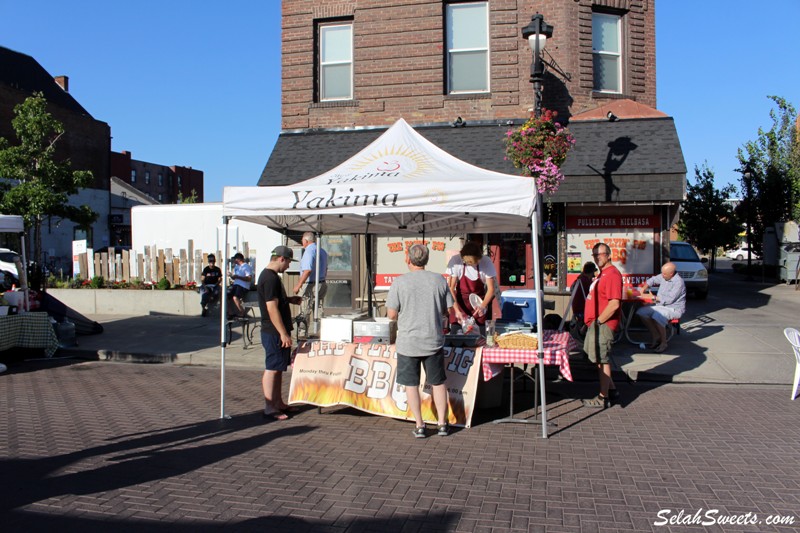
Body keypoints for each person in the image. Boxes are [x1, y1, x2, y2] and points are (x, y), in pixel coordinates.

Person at [387, 244, 454, 438]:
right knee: (438, 383)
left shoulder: (399, 283)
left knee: (411, 385)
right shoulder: (439, 280)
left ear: (408, 259)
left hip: (408, 343)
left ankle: (420, 425)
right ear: (427, 259)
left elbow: (391, 315)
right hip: (433, 340)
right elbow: (447, 309)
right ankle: (442, 423)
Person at [258, 245, 303, 421]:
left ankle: (278, 402)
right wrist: (283, 333)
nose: (289, 266)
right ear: (281, 259)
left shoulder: (272, 277)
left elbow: (276, 302)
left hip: (276, 330)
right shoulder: (270, 278)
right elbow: (271, 308)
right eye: (289, 262)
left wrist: (289, 300)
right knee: (272, 368)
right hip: (273, 331)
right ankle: (270, 406)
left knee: (278, 368)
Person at [582, 242, 622, 408]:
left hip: (603, 325)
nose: (597, 257)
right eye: (595, 255)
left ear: (609, 255)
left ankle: (603, 397)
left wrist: (598, 321)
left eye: (601, 254)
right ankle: (611, 390)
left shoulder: (612, 274)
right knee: (598, 359)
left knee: (602, 359)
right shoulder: (602, 274)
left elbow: (614, 304)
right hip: (596, 324)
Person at [445, 241, 496, 336]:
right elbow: (451, 289)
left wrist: (483, 306)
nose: (470, 265)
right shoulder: (456, 261)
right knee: (457, 336)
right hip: (460, 305)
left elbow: (491, 289)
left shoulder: (486, 262)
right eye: (467, 262)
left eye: (474, 262)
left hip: (478, 304)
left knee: (480, 337)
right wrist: (457, 311)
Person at [637, 262, 686, 353]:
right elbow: (653, 280)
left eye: (664, 274)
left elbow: (669, 300)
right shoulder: (664, 275)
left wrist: (652, 298)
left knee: (657, 316)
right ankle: (656, 335)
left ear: (671, 274)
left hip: (673, 308)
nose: (662, 275)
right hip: (660, 306)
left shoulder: (678, 282)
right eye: (662, 273)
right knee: (641, 312)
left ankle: (664, 342)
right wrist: (643, 289)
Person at [293, 232, 328, 325]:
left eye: (302, 240)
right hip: (321, 283)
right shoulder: (322, 251)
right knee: (319, 309)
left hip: (310, 284)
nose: (301, 241)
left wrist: (298, 285)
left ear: (306, 240)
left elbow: (307, 270)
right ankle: (321, 332)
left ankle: (302, 334)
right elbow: (326, 269)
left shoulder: (309, 251)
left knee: (304, 310)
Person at [568, 261, 597, 341]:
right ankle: (585, 331)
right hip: (582, 309)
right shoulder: (585, 281)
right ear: (591, 272)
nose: (594, 275)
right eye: (593, 272)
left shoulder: (579, 279)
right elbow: (593, 294)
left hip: (576, 308)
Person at [227, 252, 253, 318]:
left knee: (235, 297)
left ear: (239, 259)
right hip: (236, 284)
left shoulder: (246, 266)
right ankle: (231, 313)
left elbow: (249, 278)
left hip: (243, 286)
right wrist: (231, 275)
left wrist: (238, 277)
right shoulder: (237, 267)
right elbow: (234, 277)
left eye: (235, 259)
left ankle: (242, 312)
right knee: (227, 297)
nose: (234, 260)